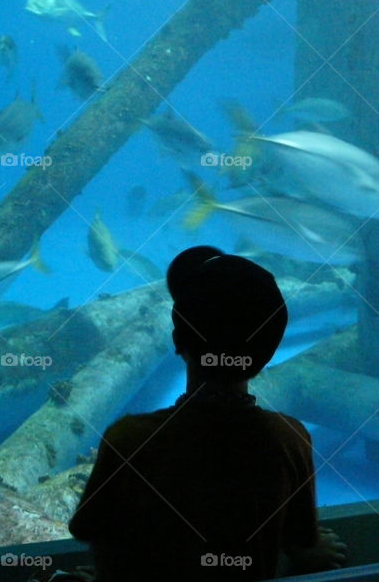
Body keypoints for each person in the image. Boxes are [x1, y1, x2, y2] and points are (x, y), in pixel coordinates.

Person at [63, 245, 348, 581]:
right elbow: (302, 541)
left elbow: (89, 530)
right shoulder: (289, 438)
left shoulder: (129, 439)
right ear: (270, 351)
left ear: (177, 341)